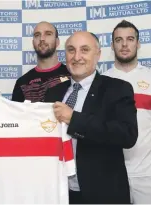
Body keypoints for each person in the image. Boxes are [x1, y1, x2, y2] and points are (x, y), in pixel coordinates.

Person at [44, 31, 138, 204]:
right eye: (71, 50)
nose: (76, 56)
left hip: (102, 194)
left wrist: (74, 119)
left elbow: (127, 135)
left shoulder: (117, 89)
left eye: (84, 50)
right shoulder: (53, 92)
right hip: (61, 192)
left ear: (98, 54)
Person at [103, 20, 151, 204]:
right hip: (110, 174)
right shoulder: (102, 81)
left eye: (130, 39)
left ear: (138, 43)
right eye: (119, 40)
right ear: (112, 44)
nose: (124, 45)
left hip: (146, 175)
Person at [11, 21, 70, 102]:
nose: (42, 38)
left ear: (57, 42)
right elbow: (14, 114)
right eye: (37, 35)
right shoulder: (22, 83)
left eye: (48, 34)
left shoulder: (71, 75)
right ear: (33, 43)